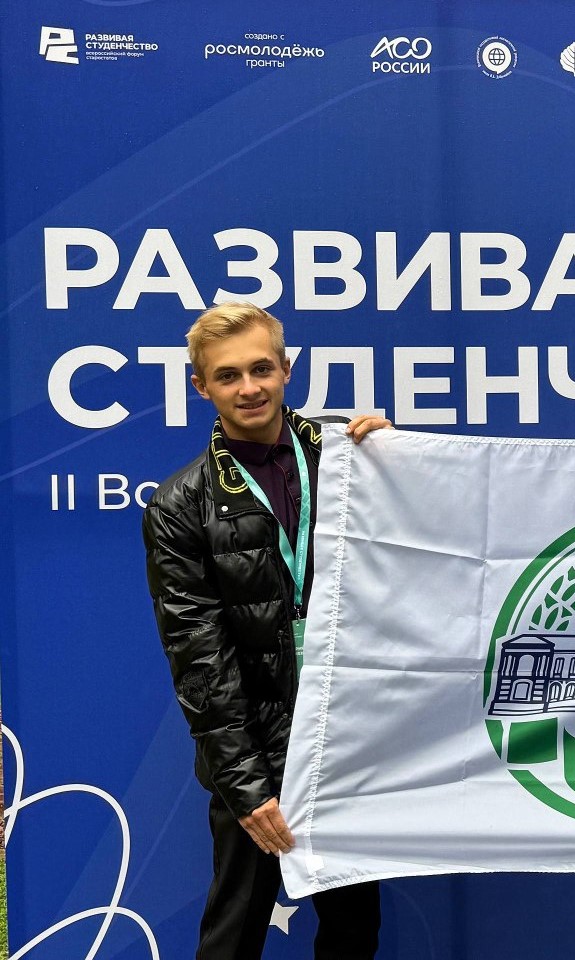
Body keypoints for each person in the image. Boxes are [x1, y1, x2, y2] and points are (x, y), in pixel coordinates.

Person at [143, 302, 391, 959]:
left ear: (286, 368)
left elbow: (439, 545)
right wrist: (248, 787)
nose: (248, 387)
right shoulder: (179, 505)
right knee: (235, 931)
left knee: (354, 930)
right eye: (228, 375)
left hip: (349, 736)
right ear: (201, 386)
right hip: (255, 748)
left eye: (261, 369)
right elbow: (199, 660)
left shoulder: (354, 458)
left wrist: (404, 463)